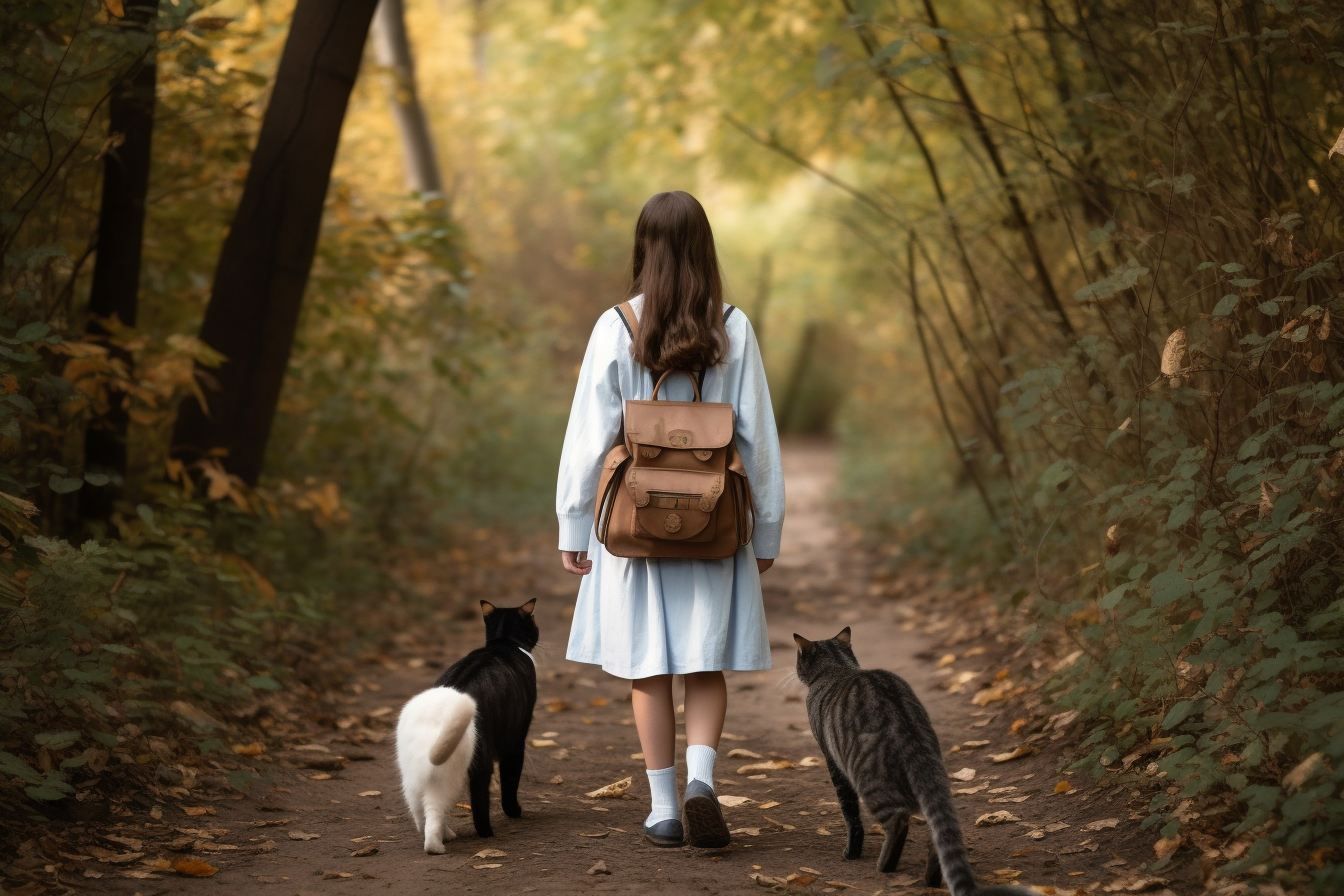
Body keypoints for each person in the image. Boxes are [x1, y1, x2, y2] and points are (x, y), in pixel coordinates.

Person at [556, 191, 785, 849]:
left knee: (648, 669)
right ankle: (703, 781)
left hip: (636, 524)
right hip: (715, 520)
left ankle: (663, 810)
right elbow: (758, 439)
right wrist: (764, 528)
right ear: (704, 250)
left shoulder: (615, 327)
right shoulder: (733, 327)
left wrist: (575, 522)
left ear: (643, 249)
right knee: (703, 660)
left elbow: (587, 436)